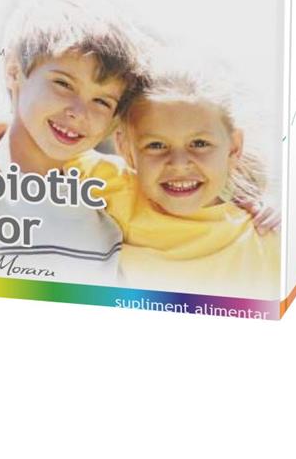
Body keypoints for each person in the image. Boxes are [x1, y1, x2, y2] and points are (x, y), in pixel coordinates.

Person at [0, 0, 148, 284]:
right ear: (14, 71)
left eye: (102, 101)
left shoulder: (111, 202)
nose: (79, 112)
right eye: (63, 84)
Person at [72, 56, 281, 299]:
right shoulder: (116, 188)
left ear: (234, 148)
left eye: (199, 143)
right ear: (126, 149)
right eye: (156, 145)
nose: (179, 164)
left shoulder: (263, 239)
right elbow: (40, 139)